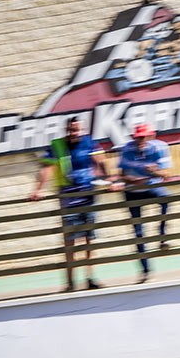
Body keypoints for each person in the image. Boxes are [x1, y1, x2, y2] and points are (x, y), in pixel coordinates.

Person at [29, 116, 110, 292]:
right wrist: (38, 189)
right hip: (68, 198)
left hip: (88, 196)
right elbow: (47, 168)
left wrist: (110, 181)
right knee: (70, 241)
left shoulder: (89, 142)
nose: (75, 133)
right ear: (67, 130)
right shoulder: (57, 145)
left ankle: (90, 278)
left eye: (77, 130)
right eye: (72, 130)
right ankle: (70, 282)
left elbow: (101, 162)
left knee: (89, 239)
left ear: (82, 130)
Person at [118, 123, 171, 282]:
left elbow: (166, 175)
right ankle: (145, 270)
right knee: (138, 232)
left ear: (149, 136)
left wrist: (154, 171)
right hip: (133, 191)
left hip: (150, 187)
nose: (141, 140)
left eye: (143, 137)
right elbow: (121, 175)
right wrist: (132, 180)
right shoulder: (127, 149)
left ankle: (162, 234)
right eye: (138, 137)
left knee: (166, 198)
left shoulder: (159, 147)